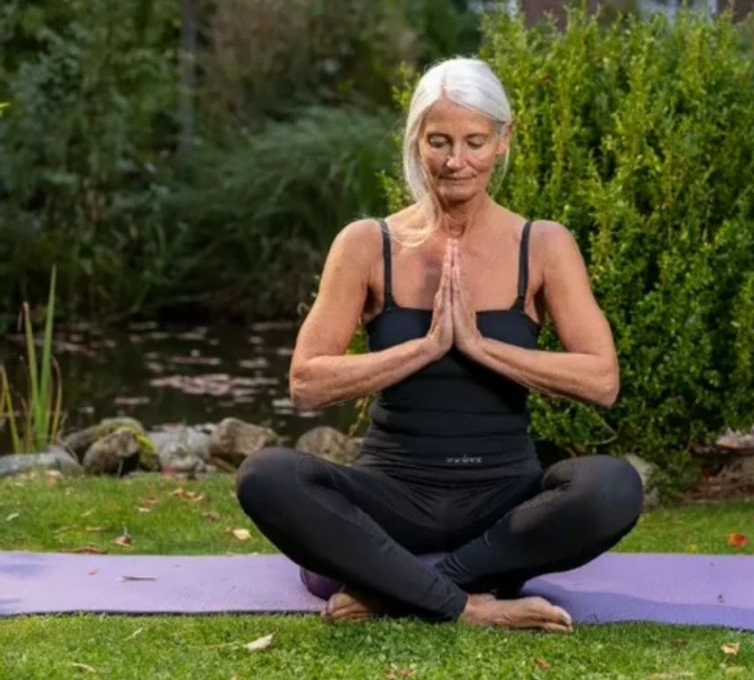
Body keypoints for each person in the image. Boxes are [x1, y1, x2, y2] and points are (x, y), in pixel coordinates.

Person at [236, 57, 643, 633]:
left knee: (613, 486)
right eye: (439, 141)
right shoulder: (366, 244)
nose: (456, 161)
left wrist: (480, 346)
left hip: (504, 497)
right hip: (392, 493)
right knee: (265, 475)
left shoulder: (544, 244)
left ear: (504, 141)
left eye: (475, 141)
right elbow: (307, 382)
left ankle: (403, 588)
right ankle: (468, 602)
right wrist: (424, 348)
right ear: (415, 142)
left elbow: (602, 380)